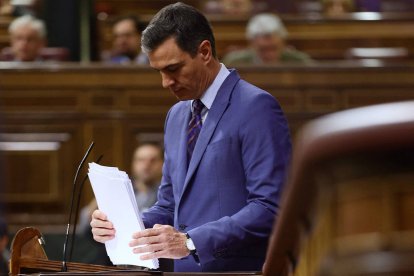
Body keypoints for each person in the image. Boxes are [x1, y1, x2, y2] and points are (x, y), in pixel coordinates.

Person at [91, 2, 291, 272]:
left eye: (173, 69)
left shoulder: (256, 107)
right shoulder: (176, 115)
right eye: (159, 72)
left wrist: (191, 241)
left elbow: (270, 207)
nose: (165, 82)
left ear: (204, 51)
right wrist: (123, 223)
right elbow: (169, 205)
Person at [78, 143, 163, 266]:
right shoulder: (118, 189)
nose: (146, 165)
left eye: (153, 160)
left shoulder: (169, 193)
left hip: (155, 257)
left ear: (162, 164)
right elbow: (83, 226)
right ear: (133, 163)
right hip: (115, 257)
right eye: (141, 160)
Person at [223, 13, 311, 65]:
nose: (270, 55)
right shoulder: (235, 62)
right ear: (251, 44)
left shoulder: (299, 61)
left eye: (274, 48)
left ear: (283, 43)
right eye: (263, 49)